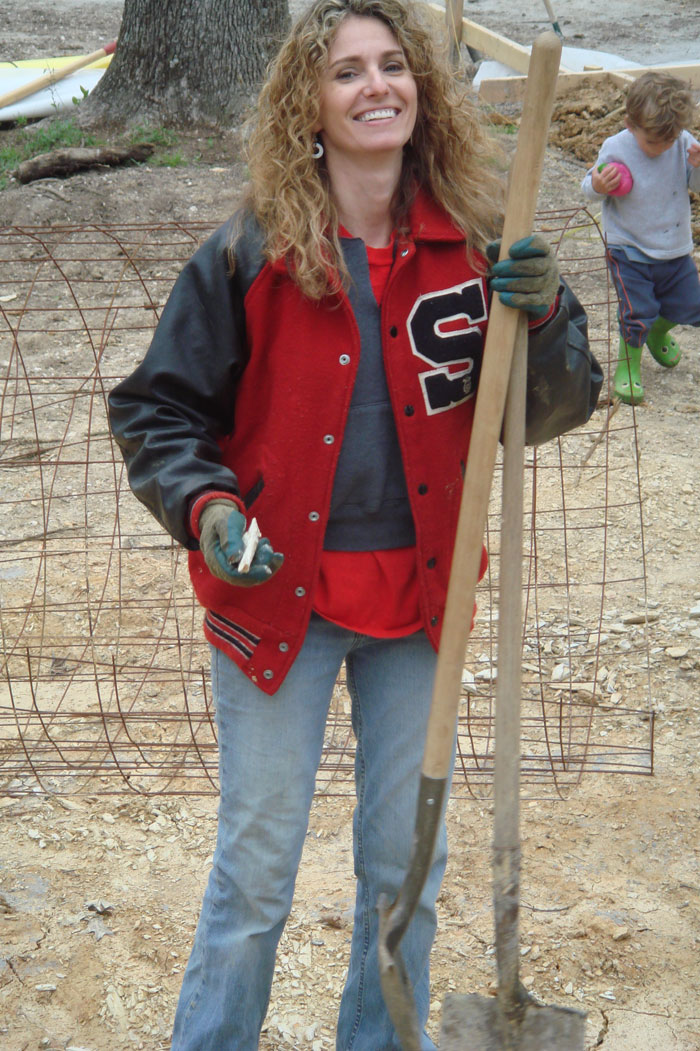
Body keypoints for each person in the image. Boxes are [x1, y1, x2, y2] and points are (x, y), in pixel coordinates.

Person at [108, 1, 601, 1047]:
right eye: (345, 73)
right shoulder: (251, 254)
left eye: (393, 66)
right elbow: (157, 407)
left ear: (423, 94)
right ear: (309, 107)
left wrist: (548, 314)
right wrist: (207, 505)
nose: (375, 85)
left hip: (419, 607)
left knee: (402, 870)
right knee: (255, 870)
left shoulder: (475, 250)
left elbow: (547, 412)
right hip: (274, 600)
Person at [582, 70, 700, 404]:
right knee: (637, 312)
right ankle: (628, 367)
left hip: (674, 249)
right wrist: (598, 185)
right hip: (629, 248)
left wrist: (699, 166)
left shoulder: (681, 142)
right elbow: (588, 188)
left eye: (669, 139)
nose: (662, 147)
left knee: (691, 306)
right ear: (630, 124)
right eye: (652, 141)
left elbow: (696, 187)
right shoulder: (615, 148)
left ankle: (658, 332)